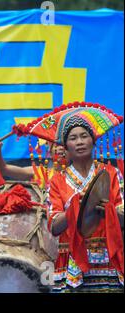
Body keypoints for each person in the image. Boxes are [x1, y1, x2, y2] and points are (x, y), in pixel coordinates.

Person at [45, 104, 124, 292]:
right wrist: (74, 207)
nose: (79, 142)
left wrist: (109, 210)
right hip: (70, 262)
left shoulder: (111, 173)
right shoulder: (57, 181)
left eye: (84, 136)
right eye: (73, 138)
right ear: (66, 147)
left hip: (107, 260)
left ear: (93, 141)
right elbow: (54, 227)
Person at [0, 135, 67, 185]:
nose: (60, 148)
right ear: (49, 152)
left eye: (64, 146)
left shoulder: (78, 175)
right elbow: (4, 169)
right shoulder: (39, 172)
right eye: (56, 146)